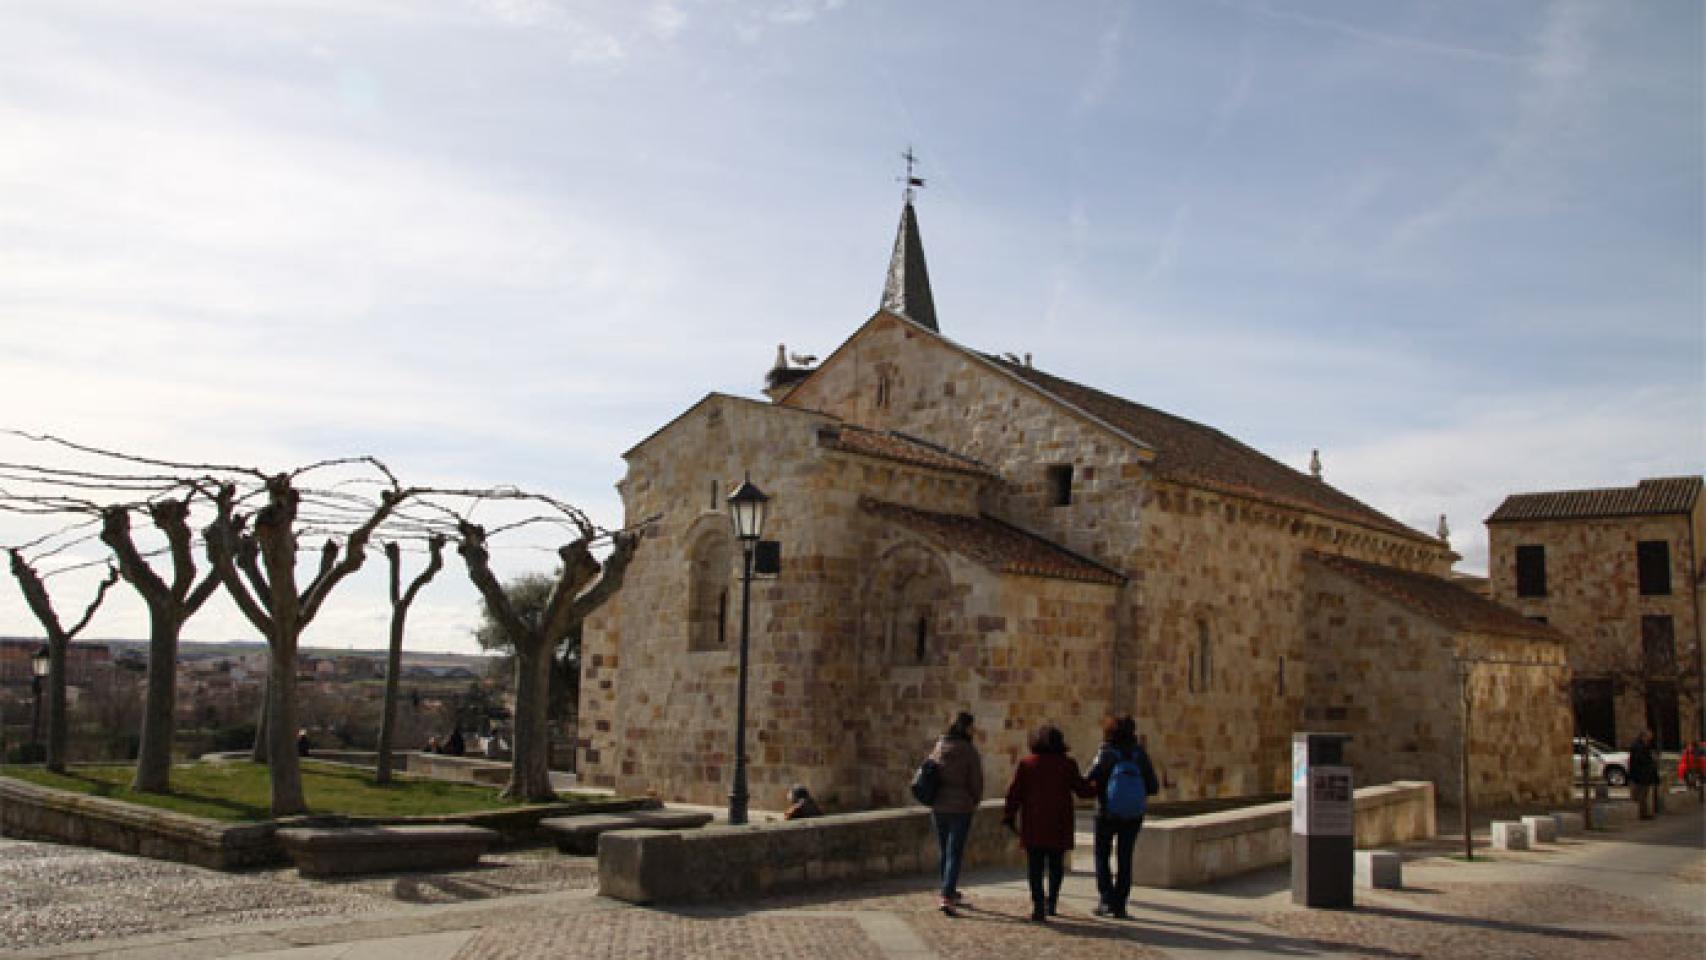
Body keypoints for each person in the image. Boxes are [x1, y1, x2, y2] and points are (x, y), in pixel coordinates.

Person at [1002, 724, 1095, 922]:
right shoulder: (1067, 764)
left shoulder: (1027, 764)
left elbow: (1014, 793)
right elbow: (1082, 790)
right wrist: (1099, 783)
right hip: (1059, 823)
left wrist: (1009, 816)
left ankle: (1038, 905)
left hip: (1034, 823)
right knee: (1056, 865)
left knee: (1035, 867)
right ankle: (1051, 902)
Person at [1085, 714, 1159, 919]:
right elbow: (1153, 786)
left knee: (1102, 855)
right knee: (1125, 858)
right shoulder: (1139, 754)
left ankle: (1106, 899)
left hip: (1106, 812)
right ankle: (1120, 904)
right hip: (1133, 815)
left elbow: (1089, 778)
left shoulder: (1106, 752)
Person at [928, 711, 982, 917]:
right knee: (955, 852)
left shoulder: (940, 746)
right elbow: (976, 781)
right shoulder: (968, 750)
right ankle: (947, 895)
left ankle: (947, 889)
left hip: (939, 806)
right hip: (960, 808)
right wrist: (974, 799)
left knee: (945, 851)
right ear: (967, 728)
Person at [1629, 728, 1660, 819]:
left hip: (1643, 774)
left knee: (1644, 794)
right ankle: (1642, 814)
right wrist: (1651, 760)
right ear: (1644, 736)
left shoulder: (1643, 745)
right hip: (1640, 774)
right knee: (1641, 794)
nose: (1650, 739)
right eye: (1649, 737)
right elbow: (1640, 760)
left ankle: (1644, 813)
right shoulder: (1638, 746)